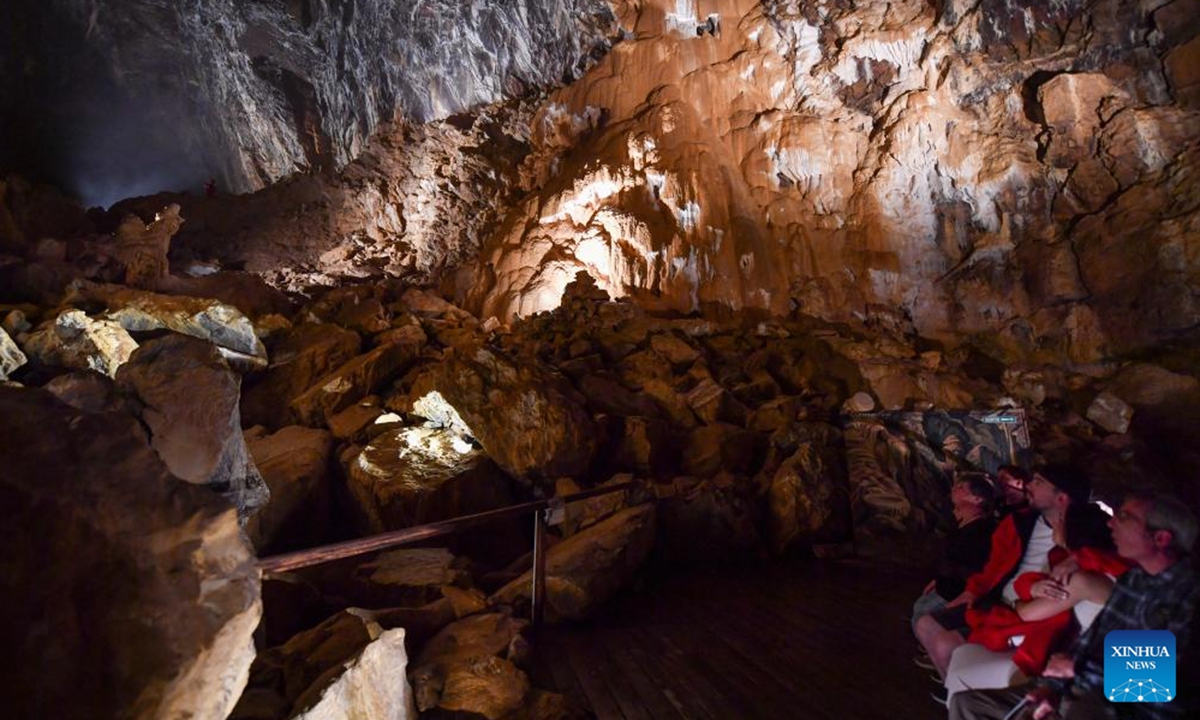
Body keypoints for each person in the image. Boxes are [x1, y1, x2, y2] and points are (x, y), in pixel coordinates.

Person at [949, 492, 1200, 720]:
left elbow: (1157, 677)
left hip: (1132, 708)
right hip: (1085, 689)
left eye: (1124, 518)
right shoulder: (1132, 581)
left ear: (1161, 538)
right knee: (969, 704)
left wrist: (1076, 671)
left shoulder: (1188, 596)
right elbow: (1092, 641)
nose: (1111, 523)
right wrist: (1053, 687)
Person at [917, 465, 1091, 684]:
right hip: (1003, 600)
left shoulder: (1087, 533)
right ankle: (955, 687)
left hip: (1033, 612)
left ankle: (966, 689)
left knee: (945, 643)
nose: (1028, 485)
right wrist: (973, 590)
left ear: (1062, 498)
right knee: (925, 624)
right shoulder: (1018, 523)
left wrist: (1076, 558)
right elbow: (993, 567)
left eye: (1038, 482)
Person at [943, 502, 1129, 701]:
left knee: (963, 689)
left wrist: (1016, 603)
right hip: (1064, 654)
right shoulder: (1072, 563)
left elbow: (1027, 613)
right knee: (962, 655)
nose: (1053, 524)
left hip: (1068, 665)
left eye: (1059, 520)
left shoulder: (1080, 578)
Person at [913, 473, 999, 636]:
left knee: (923, 614)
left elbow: (975, 568)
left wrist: (948, 579)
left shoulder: (983, 531)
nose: (954, 489)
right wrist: (939, 579)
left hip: (959, 592)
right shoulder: (962, 525)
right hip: (948, 587)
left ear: (977, 499)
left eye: (961, 487)